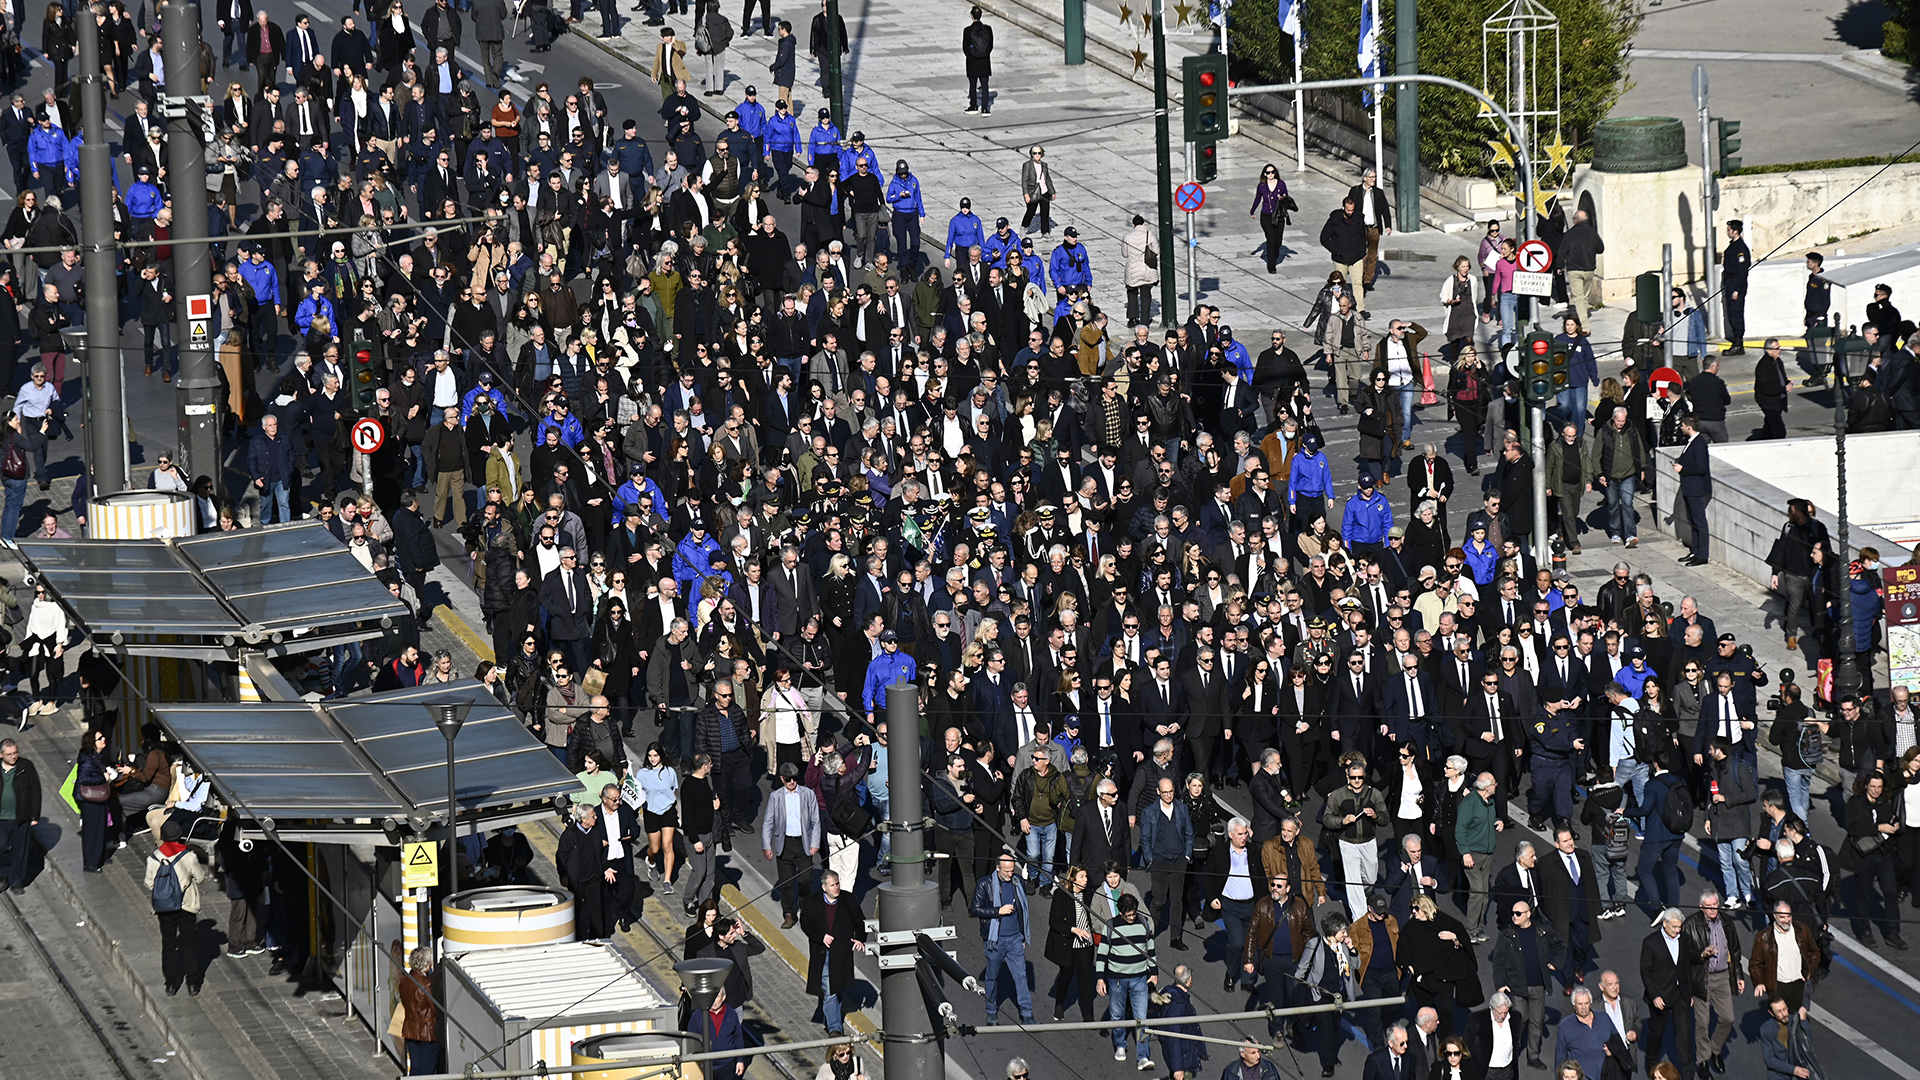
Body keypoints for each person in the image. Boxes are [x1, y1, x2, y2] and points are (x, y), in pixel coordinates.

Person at [1488, 899, 1560, 1069]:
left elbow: (1560, 945)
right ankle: (1510, 1054)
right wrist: (1500, 984)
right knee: (1518, 1021)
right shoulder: (1506, 935)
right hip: (1517, 986)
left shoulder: (1541, 931)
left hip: (1538, 986)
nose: (1514, 916)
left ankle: (1533, 1056)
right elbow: (1498, 962)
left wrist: (1556, 962)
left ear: (1528, 914)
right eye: (1513, 913)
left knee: (1537, 1021)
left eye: (1518, 913)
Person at [146, 818, 210, 997]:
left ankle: (171, 984)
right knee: (188, 944)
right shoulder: (188, 856)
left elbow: (149, 883)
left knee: (168, 945)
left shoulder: (153, 858)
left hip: (164, 907)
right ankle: (192, 983)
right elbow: (200, 877)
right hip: (186, 906)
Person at [800, 868, 866, 1034]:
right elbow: (806, 924)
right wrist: (821, 936)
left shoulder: (848, 900)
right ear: (824, 888)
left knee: (837, 987)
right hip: (821, 953)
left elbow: (859, 920)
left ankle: (829, 1017)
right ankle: (835, 1029)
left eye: (837, 884)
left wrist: (860, 938)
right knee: (829, 990)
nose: (836, 888)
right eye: (832, 885)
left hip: (841, 952)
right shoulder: (812, 902)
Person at [971, 851, 1035, 1023]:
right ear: (997, 868)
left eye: (1012, 870)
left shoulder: (1018, 881)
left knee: (1021, 976)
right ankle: (991, 1011)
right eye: (1006, 871)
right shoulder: (985, 884)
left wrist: (1022, 937)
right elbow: (974, 909)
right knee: (992, 977)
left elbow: (1023, 909)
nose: (1010, 874)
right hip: (995, 941)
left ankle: (1027, 1014)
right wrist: (997, 911)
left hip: (1015, 939)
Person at [761, 761, 820, 928]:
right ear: (782, 779)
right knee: (786, 882)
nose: (792, 782)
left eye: (794, 778)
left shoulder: (808, 794)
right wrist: (767, 846)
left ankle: (805, 907)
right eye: (788, 779)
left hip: (803, 843)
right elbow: (768, 822)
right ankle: (789, 913)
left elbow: (815, 821)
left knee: (806, 879)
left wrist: (814, 843)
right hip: (785, 843)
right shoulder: (775, 797)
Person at [1640, 908, 1690, 1071]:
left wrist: (1689, 992)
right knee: (1657, 1033)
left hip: (1680, 995)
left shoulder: (1684, 939)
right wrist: (1654, 995)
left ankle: (1688, 1072)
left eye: (1679, 926)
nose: (1678, 930)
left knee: (1683, 1035)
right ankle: (1651, 1065)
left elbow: (1686, 966)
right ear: (1665, 923)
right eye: (1674, 927)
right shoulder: (1651, 942)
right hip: (1660, 996)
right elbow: (1645, 971)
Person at [1045, 863, 1097, 1021]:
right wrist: (1073, 930)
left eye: (1086, 876)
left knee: (1085, 977)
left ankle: (1088, 1016)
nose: (1085, 880)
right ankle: (1059, 1004)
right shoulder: (1062, 895)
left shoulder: (1089, 895)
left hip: (1085, 945)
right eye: (1082, 877)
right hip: (1068, 943)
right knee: (1066, 975)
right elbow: (1054, 922)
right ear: (1072, 878)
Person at [0, 738, 48, 892]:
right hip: (1, 819)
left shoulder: (26, 767)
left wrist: (34, 816)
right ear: (1, 755)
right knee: (1, 848)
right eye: (9, 754)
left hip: (21, 818)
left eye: (15, 753)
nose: (13, 756)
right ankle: (5, 873)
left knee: (20, 851)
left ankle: (16, 882)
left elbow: (35, 791)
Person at [395, 944, 440, 1074]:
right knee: (428, 1070)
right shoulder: (426, 984)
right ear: (426, 964)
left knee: (416, 1068)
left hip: (410, 1030)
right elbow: (434, 1008)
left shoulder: (404, 980)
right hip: (428, 1033)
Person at [962, 6, 992, 116]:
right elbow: (990, 46)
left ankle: (973, 106)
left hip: (972, 61)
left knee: (973, 84)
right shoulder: (988, 29)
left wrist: (971, 55)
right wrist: (984, 54)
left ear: (972, 16)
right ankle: (985, 109)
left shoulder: (967, 31)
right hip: (984, 61)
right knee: (984, 85)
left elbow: (965, 47)